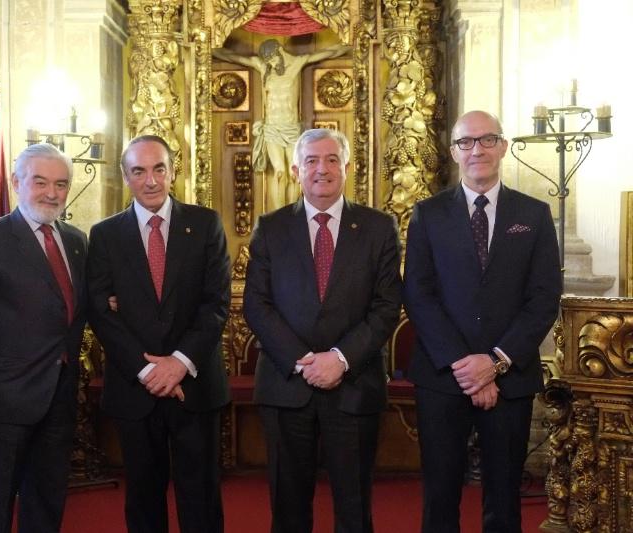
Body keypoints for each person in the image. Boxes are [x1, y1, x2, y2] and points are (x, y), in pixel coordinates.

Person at [403, 110, 562, 533]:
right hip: (443, 376)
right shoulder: (427, 214)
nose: (477, 150)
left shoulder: (534, 214)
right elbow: (419, 294)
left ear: (503, 146)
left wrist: (495, 362)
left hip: (510, 376)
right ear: (454, 151)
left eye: (487, 139)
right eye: (466, 142)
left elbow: (544, 298)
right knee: (440, 496)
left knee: (504, 498)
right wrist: (466, 365)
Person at [243, 128, 402, 532]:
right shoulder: (271, 227)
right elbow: (256, 304)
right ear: (296, 170)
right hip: (287, 385)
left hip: (354, 384)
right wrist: (304, 361)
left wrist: (340, 359)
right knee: (289, 508)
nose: (322, 169)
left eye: (332, 160)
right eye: (311, 161)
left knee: (354, 508)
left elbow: (386, 306)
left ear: (347, 167)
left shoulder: (379, 227)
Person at [87, 135, 231, 533]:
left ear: (172, 171)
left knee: (201, 497)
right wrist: (148, 370)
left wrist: (179, 363)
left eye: (158, 169)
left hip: (195, 385)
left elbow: (216, 303)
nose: (150, 180)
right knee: (143, 498)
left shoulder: (205, 224)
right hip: (135, 387)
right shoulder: (104, 235)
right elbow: (100, 311)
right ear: (125, 177)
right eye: (139, 171)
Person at [0, 143, 87, 533]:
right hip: (2, 401)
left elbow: (76, 309)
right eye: (40, 182)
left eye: (61, 184)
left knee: (47, 499)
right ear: (16, 182)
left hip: (59, 395)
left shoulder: (76, 241)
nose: (52, 193)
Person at [214, 40, 349, 211]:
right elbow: (234, 57)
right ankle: (278, 216)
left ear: (279, 51)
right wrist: (208, 47)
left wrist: (350, 44)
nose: (270, 64)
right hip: (272, 129)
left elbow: (329, 52)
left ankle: (291, 214)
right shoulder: (263, 67)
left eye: (272, 59)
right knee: (279, 173)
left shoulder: (297, 63)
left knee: (294, 174)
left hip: (291, 129)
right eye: (268, 61)